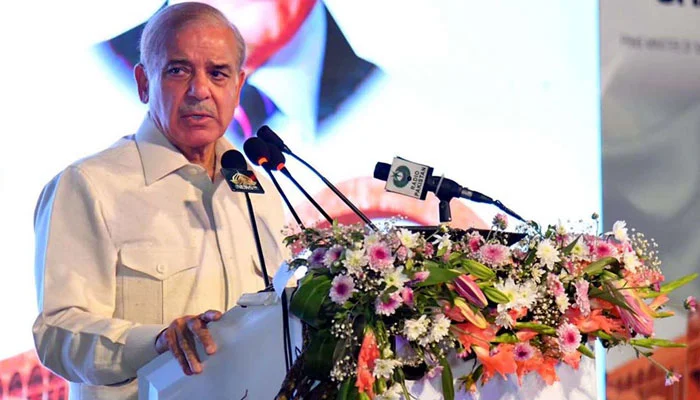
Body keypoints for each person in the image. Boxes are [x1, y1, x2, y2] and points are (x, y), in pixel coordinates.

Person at [32, 3, 287, 399]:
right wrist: (158, 342)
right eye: (178, 71)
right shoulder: (89, 186)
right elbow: (58, 332)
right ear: (143, 83)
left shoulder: (261, 192)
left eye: (217, 73)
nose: (200, 90)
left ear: (238, 86)